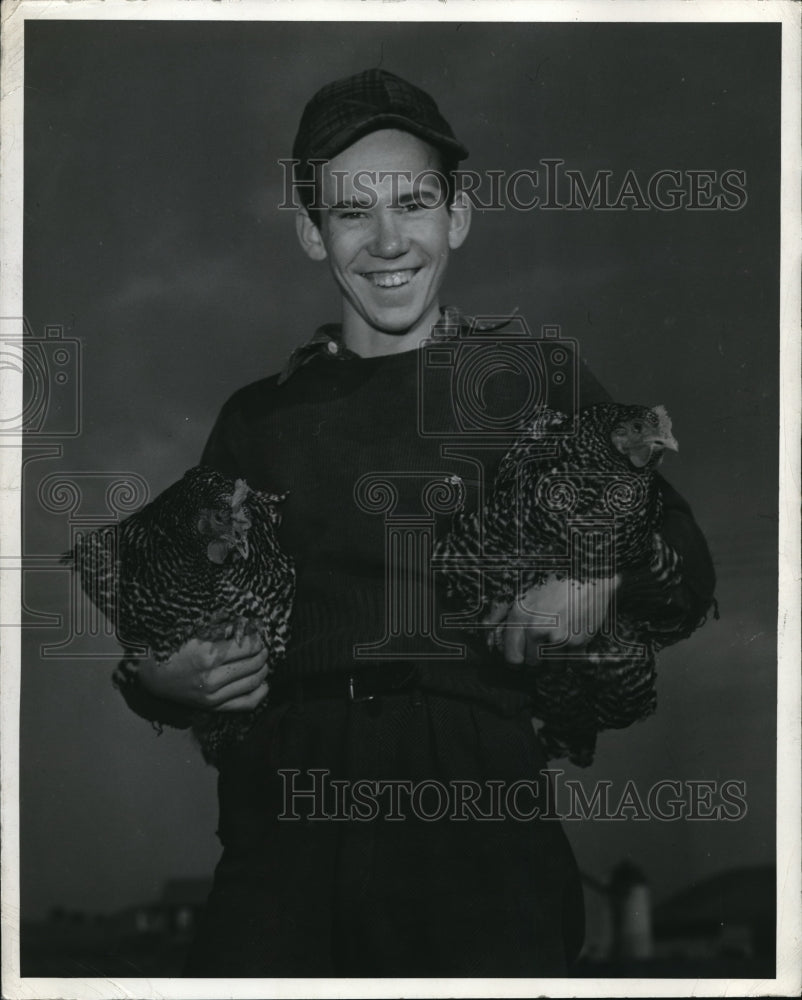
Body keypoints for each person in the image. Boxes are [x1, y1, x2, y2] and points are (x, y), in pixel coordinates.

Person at [116, 69, 716, 977]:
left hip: (477, 806)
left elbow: (690, 566)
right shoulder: (256, 419)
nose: (388, 240)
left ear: (458, 218)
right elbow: (162, 621)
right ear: (311, 235)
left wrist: (598, 579)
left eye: (414, 203)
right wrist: (161, 678)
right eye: (351, 213)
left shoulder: (533, 382)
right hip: (287, 816)